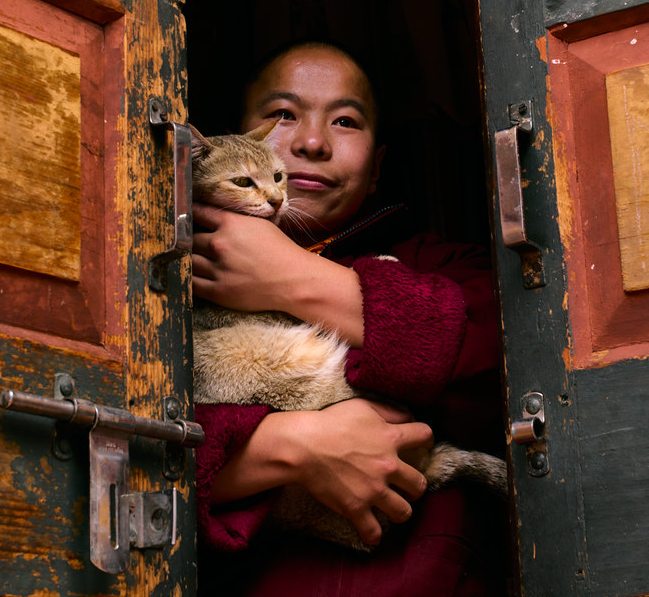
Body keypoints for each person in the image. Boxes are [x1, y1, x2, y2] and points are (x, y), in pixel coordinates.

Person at [191, 41, 507, 595]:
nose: (311, 143)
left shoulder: (449, 265)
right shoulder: (162, 279)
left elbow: (513, 373)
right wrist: (295, 445)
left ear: (378, 166)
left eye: (344, 120)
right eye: (283, 115)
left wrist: (297, 279)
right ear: (236, 139)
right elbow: (131, 449)